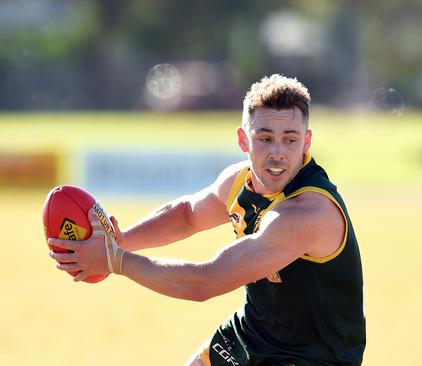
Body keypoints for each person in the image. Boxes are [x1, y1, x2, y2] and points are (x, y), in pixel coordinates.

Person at [48, 74, 366, 366]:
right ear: (244, 140)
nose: (278, 153)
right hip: (254, 332)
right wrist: (121, 240)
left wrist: (115, 260)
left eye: (290, 139)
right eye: (265, 138)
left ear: (307, 141)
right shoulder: (238, 181)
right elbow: (187, 215)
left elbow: (205, 282)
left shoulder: (307, 213)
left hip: (318, 357)